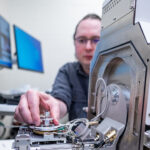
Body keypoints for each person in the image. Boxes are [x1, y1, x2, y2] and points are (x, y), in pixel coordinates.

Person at [14, 13, 101, 126]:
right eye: (81, 40)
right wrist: (49, 106)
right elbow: (59, 101)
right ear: (74, 43)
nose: (88, 47)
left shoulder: (122, 72)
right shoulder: (67, 71)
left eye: (96, 40)